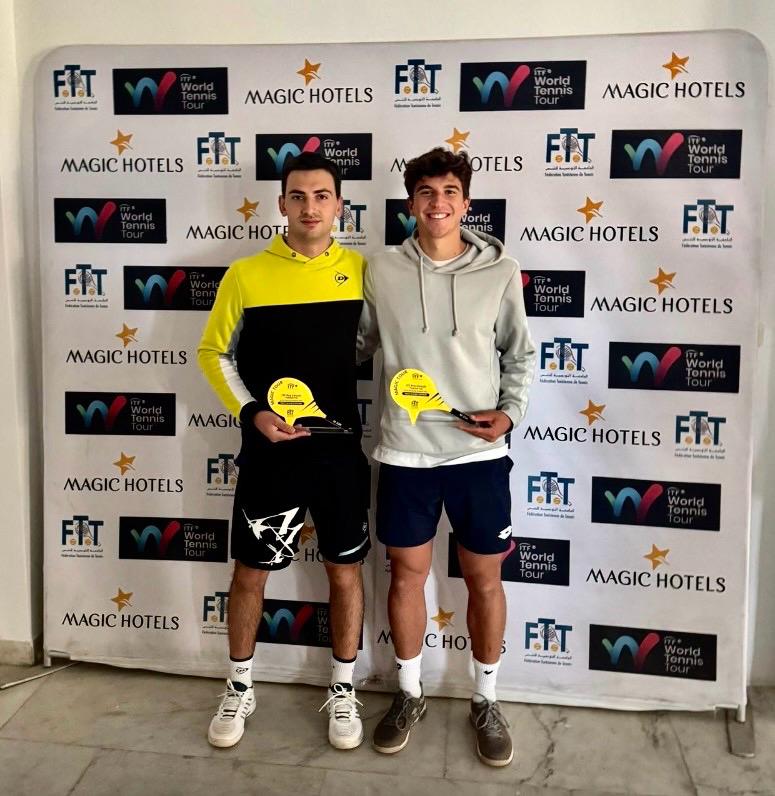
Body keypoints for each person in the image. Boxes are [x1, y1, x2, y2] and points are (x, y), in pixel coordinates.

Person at [358, 147, 535, 767]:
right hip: (405, 452)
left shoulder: (501, 269)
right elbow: (357, 344)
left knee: (485, 579)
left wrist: (510, 413)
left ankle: (486, 699)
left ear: (466, 202)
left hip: (478, 455)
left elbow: (520, 354)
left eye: (449, 192)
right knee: (406, 577)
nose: (438, 203)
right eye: (426, 192)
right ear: (411, 202)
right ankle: (409, 694)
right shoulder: (380, 269)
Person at [198, 152, 370, 750]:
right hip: (270, 455)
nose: (310, 207)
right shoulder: (246, 274)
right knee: (250, 573)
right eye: (298, 196)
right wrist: (252, 412)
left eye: (322, 196)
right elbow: (213, 353)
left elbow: (381, 344)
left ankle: (343, 690)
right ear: (281, 204)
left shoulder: (364, 272)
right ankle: (239, 686)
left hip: (340, 455)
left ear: (339, 205)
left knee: (345, 573)